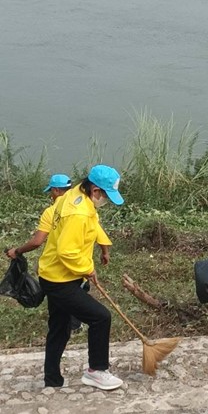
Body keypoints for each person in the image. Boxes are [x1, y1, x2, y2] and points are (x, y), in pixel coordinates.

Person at [37, 164, 124, 390]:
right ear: (95, 190)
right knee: (100, 317)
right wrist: (87, 269)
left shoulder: (76, 193)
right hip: (60, 280)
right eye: (106, 196)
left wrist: (103, 246)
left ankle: (52, 380)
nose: (106, 201)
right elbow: (66, 251)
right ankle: (96, 371)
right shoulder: (78, 213)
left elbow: (93, 224)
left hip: (54, 272)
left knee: (59, 328)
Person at [5, 174, 113, 332]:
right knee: (80, 307)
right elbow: (95, 231)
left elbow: (38, 241)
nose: (51, 194)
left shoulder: (59, 210)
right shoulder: (83, 206)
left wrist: (17, 251)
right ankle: (74, 326)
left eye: (51, 191)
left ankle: (72, 327)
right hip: (74, 270)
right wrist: (103, 253)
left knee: (67, 316)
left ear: (56, 190)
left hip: (63, 272)